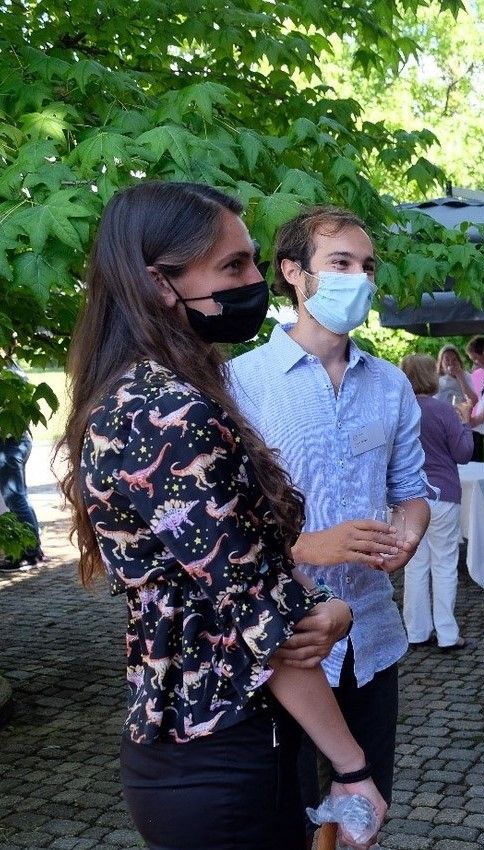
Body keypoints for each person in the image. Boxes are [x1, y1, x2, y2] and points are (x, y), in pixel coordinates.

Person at [60, 182, 384, 850]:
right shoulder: (169, 412)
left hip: (192, 744)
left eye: (254, 262)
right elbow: (263, 618)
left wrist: (317, 602)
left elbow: (223, 576)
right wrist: (352, 768)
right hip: (224, 752)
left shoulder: (140, 394)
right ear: (159, 283)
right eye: (232, 267)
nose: (256, 282)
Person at [228, 205, 430, 832]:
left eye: (367, 267)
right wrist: (310, 546)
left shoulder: (391, 383)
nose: (358, 279)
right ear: (293, 272)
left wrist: (409, 534)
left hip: (371, 635)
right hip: (282, 643)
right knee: (283, 819)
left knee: (361, 815)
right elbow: (221, 525)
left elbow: (412, 492)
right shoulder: (239, 383)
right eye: (339, 263)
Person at [399, 354, 474, 651]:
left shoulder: (397, 411)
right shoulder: (443, 410)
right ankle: (447, 633)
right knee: (444, 564)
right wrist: (465, 423)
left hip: (408, 498)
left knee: (415, 565)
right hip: (443, 495)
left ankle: (416, 631)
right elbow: (463, 453)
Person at [0, 362, 44, 570]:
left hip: (9, 444)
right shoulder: (12, 366)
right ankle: (33, 547)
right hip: (19, 441)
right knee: (21, 497)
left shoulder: (6, 374)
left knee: (15, 498)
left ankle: (28, 553)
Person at [434, 343, 477, 410]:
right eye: (447, 360)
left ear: (459, 362)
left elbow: (473, 400)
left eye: (454, 359)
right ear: (441, 363)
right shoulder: (436, 379)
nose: (451, 363)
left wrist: (459, 376)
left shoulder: (466, 376)